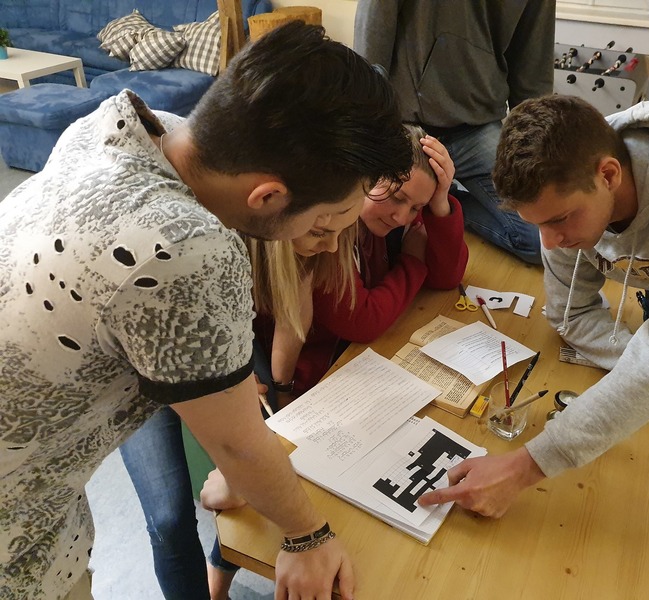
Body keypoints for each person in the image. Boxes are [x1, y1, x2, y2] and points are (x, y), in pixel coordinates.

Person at [0, 21, 412, 600]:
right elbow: (238, 445)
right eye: (323, 224)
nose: (326, 243)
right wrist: (307, 536)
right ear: (267, 196)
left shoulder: (132, 123)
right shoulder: (185, 247)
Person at [418, 95, 649, 596]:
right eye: (538, 224)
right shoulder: (564, 192)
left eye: (560, 220)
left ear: (609, 174)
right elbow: (571, 315)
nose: (548, 243)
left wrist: (522, 468)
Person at [120, 219, 360, 600]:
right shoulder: (202, 241)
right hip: (134, 369)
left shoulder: (289, 241)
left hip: (208, 348)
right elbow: (173, 361)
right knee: (168, 519)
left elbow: (281, 322)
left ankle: (218, 574)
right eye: (320, 232)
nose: (332, 246)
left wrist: (266, 394)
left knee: (264, 462)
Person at [258, 125, 469, 399]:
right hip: (315, 371)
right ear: (365, 179)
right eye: (397, 197)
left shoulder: (396, 206)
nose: (401, 218)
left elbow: (448, 277)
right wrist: (413, 262)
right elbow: (361, 321)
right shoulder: (326, 229)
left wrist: (440, 204)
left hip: (355, 358)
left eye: (416, 208)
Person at [353, 0, 555, 265]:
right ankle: (426, 201)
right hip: (404, 124)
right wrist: (371, 120)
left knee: (544, 243)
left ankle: (436, 201)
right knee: (384, 244)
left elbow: (534, 64)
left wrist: (534, 155)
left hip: (477, 126)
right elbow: (375, 23)